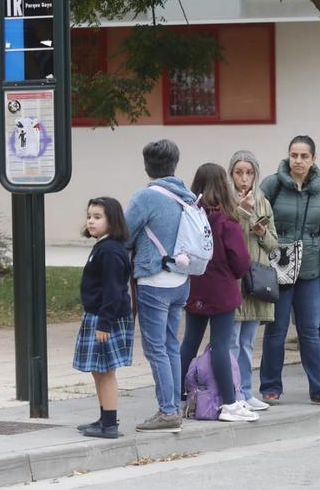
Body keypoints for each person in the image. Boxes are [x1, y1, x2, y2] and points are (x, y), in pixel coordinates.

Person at [257, 136, 320, 407]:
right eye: (294, 155)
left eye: (304, 156)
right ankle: (270, 387)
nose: (298, 161)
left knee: (309, 331)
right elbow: (256, 220)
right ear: (288, 156)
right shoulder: (272, 184)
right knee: (276, 329)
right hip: (278, 267)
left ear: (313, 159)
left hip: (311, 269)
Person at [126, 139, 195, 433]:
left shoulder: (146, 197)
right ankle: (174, 406)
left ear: (147, 166)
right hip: (181, 280)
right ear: (174, 164)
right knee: (170, 346)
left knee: (156, 349)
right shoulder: (188, 195)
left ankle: (168, 410)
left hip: (154, 280)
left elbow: (124, 234)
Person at [179, 163, 256, 422]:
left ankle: (177, 397)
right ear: (224, 185)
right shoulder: (227, 220)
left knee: (189, 342)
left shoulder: (189, 216)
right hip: (222, 290)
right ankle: (230, 403)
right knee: (221, 345)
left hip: (195, 287)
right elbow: (241, 263)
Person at [74, 197, 134, 439]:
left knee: (105, 370)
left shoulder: (109, 250)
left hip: (105, 318)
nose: (91, 221)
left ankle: (109, 424)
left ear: (113, 220)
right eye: (89, 216)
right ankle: (104, 417)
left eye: (98, 217)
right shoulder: (104, 246)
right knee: (98, 370)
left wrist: (104, 323)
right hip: (99, 315)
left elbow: (113, 290)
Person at [227, 150, 278, 412]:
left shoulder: (263, 202)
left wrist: (261, 232)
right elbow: (221, 230)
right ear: (231, 174)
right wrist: (239, 211)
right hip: (234, 280)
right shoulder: (225, 201)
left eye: (249, 173)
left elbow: (273, 244)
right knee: (231, 342)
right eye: (239, 172)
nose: (244, 178)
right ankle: (232, 393)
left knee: (247, 343)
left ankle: (246, 391)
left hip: (256, 279)